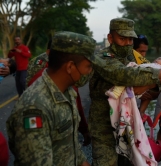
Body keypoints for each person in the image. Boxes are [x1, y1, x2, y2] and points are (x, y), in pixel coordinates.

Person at [88, 18, 161, 166]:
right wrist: (157, 75)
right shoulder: (103, 57)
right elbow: (123, 75)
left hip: (126, 126)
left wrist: (158, 77)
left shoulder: (131, 57)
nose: (127, 43)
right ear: (110, 38)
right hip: (103, 127)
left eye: (130, 39)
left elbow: (153, 79)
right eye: (122, 38)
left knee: (128, 162)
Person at [6, 31, 95, 166]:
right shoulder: (35, 107)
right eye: (88, 66)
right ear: (70, 67)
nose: (90, 72)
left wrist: (82, 161)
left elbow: (69, 142)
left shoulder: (67, 90)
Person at [25, 39, 91, 146]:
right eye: (88, 67)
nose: (88, 72)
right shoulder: (37, 99)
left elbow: (75, 101)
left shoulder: (66, 77)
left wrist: (83, 129)